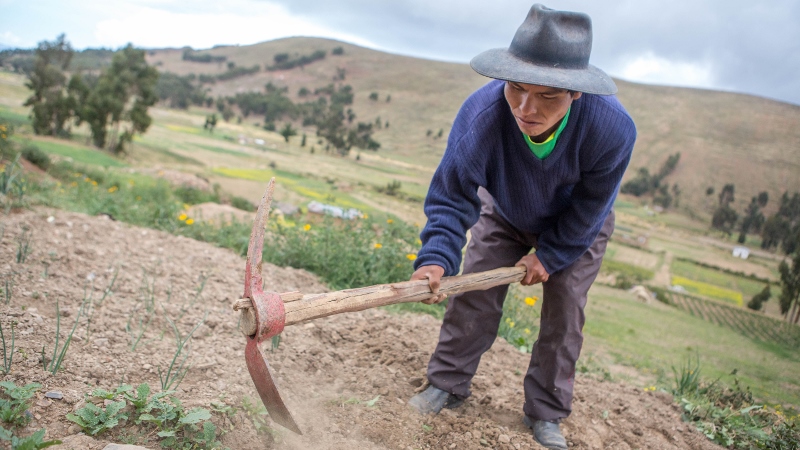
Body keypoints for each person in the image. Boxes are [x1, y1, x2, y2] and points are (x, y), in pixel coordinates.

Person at [407, 4, 636, 450]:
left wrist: (551, 255)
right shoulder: (481, 116)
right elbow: (453, 193)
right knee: (473, 291)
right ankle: (448, 384)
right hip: (507, 213)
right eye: (516, 88)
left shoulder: (612, 130)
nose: (526, 108)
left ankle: (546, 413)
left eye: (547, 95)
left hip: (576, 228)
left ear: (576, 94)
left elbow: (593, 206)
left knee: (564, 313)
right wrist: (436, 257)